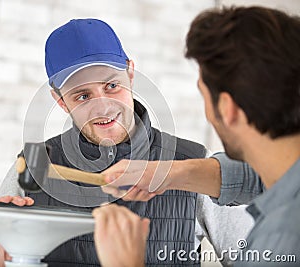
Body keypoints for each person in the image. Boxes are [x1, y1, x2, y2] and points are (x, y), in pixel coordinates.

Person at [0, 18, 253, 267]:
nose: (102, 107)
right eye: (83, 96)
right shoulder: (34, 164)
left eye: (111, 86)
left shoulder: (194, 163)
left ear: (130, 73)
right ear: (61, 101)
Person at [97, 6, 300, 266]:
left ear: (228, 110)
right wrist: (166, 174)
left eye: (202, 94)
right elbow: (258, 178)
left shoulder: (280, 238)